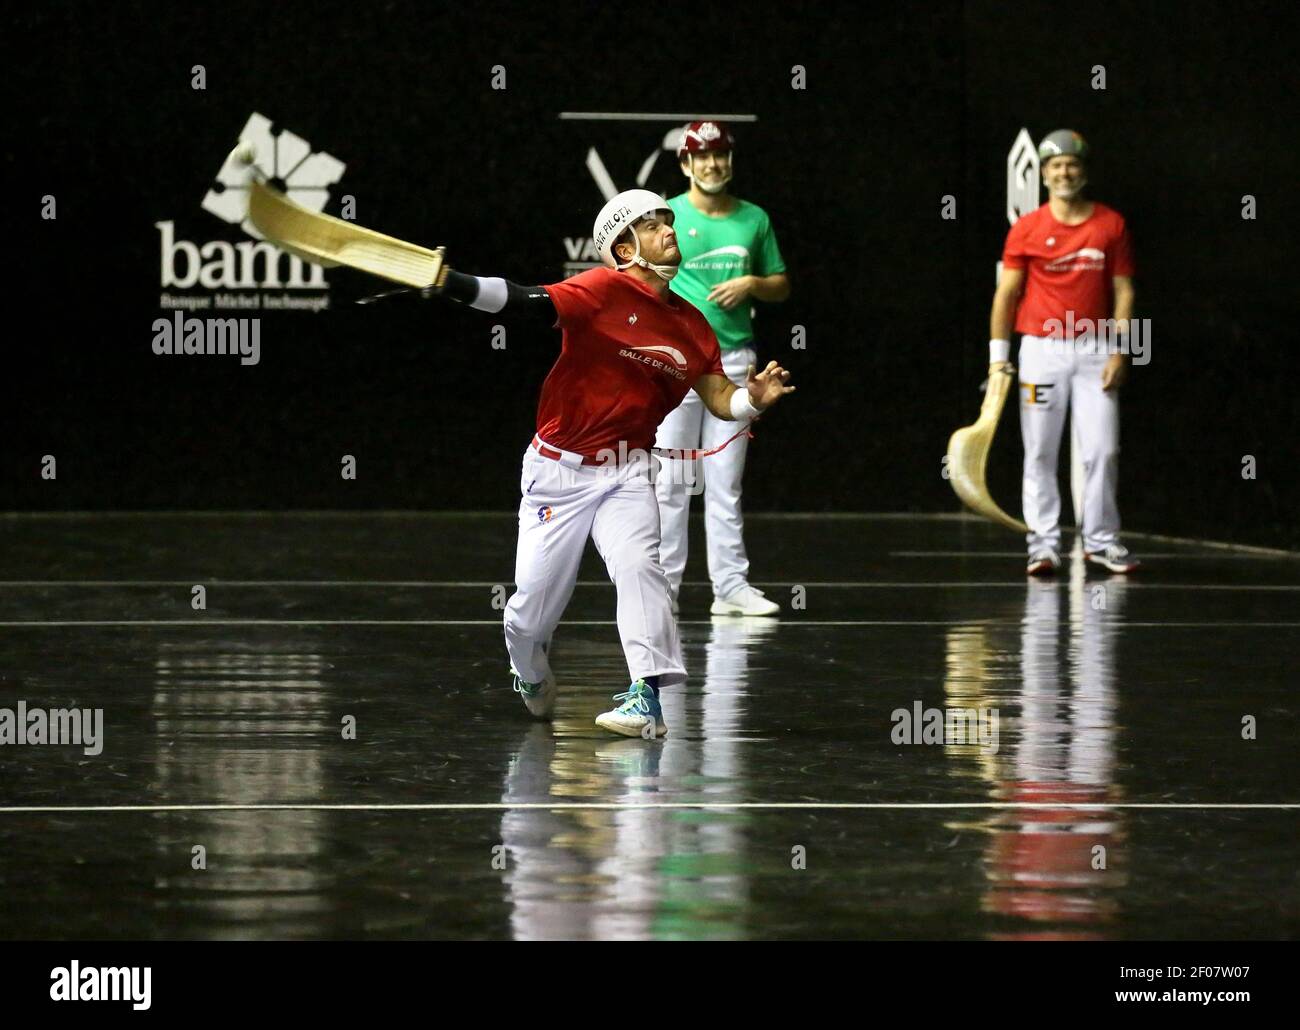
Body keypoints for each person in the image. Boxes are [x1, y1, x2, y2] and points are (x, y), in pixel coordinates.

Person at [425, 188, 794, 736]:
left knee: (644, 568)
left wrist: (753, 401)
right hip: (559, 471)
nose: (671, 231)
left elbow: (720, 400)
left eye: (669, 222)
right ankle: (528, 668)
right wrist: (452, 283)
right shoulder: (598, 290)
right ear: (625, 249)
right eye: (653, 226)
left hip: (629, 469)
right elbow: (522, 300)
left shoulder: (693, 325)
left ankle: (647, 696)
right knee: (532, 608)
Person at [653, 121, 791, 615]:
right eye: (702, 155)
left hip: (734, 361)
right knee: (672, 481)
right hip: (676, 365)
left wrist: (752, 282)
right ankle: (663, 592)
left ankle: (730, 588)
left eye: (721, 155)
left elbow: (781, 285)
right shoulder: (667, 219)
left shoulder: (754, 219)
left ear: (730, 161)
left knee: (725, 480)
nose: (713, 164)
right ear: (686, 163)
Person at [989, 129, 1140, 576]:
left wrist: (1122, 351)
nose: (1064, 172)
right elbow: (1006, 295)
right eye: (1055, 166)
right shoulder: (1027, 227)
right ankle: (1043, 544)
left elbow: (1124, 292)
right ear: (1044, 174)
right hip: (1041, 351)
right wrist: (999, 357)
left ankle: (1100, 541)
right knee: (1039, 451)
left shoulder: (1111, 225)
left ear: (1084, 171)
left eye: (1071, 164)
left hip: (1096, 349)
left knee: (1103, 451)